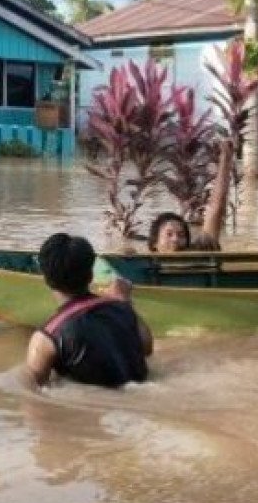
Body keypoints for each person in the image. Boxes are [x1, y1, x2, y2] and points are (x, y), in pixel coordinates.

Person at [24, 233, 153, 389]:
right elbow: (147, 347)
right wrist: (124, 301)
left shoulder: (47, 337)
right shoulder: (122, 309)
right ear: (91, 275)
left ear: (46, 279)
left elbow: (32, 390)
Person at [148, 139, 233, 253]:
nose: (175, 239)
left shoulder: (197, 252)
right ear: (155, 243)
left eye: (181, 235)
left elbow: (216, 210)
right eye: (169, 234)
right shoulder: (142, 261)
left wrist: (225, 159)